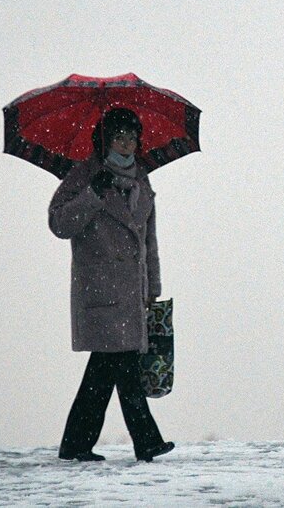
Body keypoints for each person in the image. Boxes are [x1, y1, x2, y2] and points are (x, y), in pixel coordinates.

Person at [48, 107, 176, 462]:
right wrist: (92, 194)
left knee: (103, 374)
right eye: (120, 136)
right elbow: (59, 223)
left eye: (133, 137)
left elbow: (148, 240)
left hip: (131, 293)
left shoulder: (142, 180)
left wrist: (152, 287)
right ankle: (146, 440)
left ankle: (76, 444)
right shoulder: (85, 176)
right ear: (104, 140)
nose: (128, 143)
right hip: (101, 292)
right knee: (122, 368)